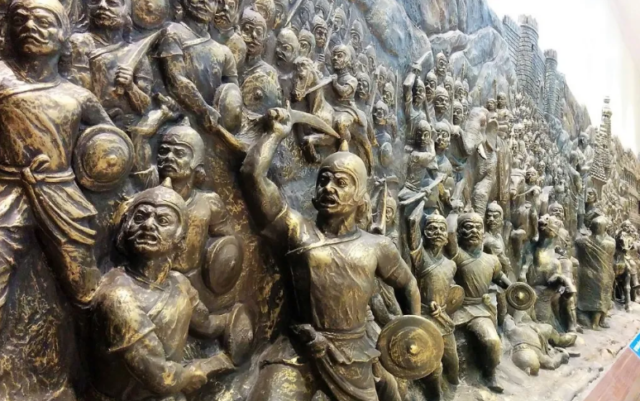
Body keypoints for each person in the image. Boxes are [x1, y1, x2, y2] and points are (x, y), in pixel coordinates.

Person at [241, 108, 420, 401]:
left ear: (360, 196)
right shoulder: (295, 229)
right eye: (323, 180)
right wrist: (274, 134)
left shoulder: (377, 246)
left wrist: (414, 330)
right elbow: (252, 178)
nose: (328, 188)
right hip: (298, 350)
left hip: (352, 354)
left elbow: (408, 284)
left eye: (341, 182)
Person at [0, 0, 115, 397]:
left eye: (43, 21)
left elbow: (111, 144)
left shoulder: (78, 96)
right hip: (7, 194)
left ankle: (102, 377)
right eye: (21, 20)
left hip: (61, 197)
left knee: (86, 290)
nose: (30, 27)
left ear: (64, 34)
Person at [89, 183, 234, 400]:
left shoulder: (180, 283)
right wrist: (201, 369)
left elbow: (206, 324)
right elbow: (161, 377)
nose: (148, 225)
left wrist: (232, 321)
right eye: (140, 217)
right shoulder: (117, 297)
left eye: (162, 220)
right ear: (126, 227)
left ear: (181, 238)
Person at [449, 212, 512, 393]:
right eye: (468, 227)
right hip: (457, 309)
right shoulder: (457, 255)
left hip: (480, 310)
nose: (474, 231)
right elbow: (449, 234)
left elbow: (502, 280)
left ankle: (489, 374)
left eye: (478, 227)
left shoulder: (492, 260)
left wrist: (515, 290)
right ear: (460, 232)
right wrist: (454, 213)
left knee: (492, 341)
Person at [407, 211, 459, 400]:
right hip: (423, 318)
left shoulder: (451, 265)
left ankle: (453, 389)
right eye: (432, 228)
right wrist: (421, 199)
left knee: (453, 360)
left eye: (441, 229)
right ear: (424, 233)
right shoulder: (420, 256)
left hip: (443, 319)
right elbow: (412, 221)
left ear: (447, 236)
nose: (437, 232)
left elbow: (452, 293)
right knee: (435, 366)